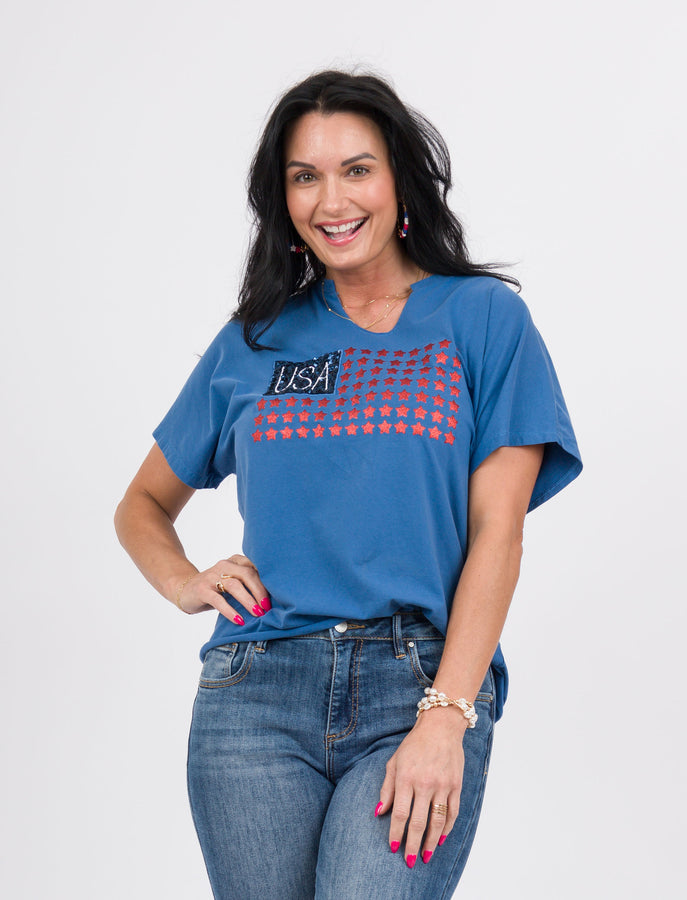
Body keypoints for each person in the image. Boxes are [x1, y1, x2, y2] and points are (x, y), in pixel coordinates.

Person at [114, 69, 582, 899]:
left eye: (356, 169)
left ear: (399, 178)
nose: (332, 200)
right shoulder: (254, 342)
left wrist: (447, 715)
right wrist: (184, 581)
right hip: (255, 694)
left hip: (419, 682)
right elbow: (141, 504)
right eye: (306, 176)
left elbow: (499, 534)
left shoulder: (482, 319)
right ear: (284, 198)